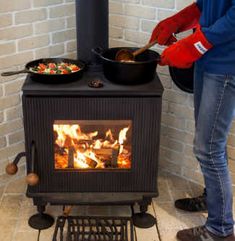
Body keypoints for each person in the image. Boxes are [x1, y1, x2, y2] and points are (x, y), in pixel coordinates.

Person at [150, 0, 235, 240]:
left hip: (227, 65)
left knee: (208, 148)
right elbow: (209, 5)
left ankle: (221, 229)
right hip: (207, 61)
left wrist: (195, 44)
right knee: (209, 143)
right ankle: (213, 199)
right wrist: (177, 21)